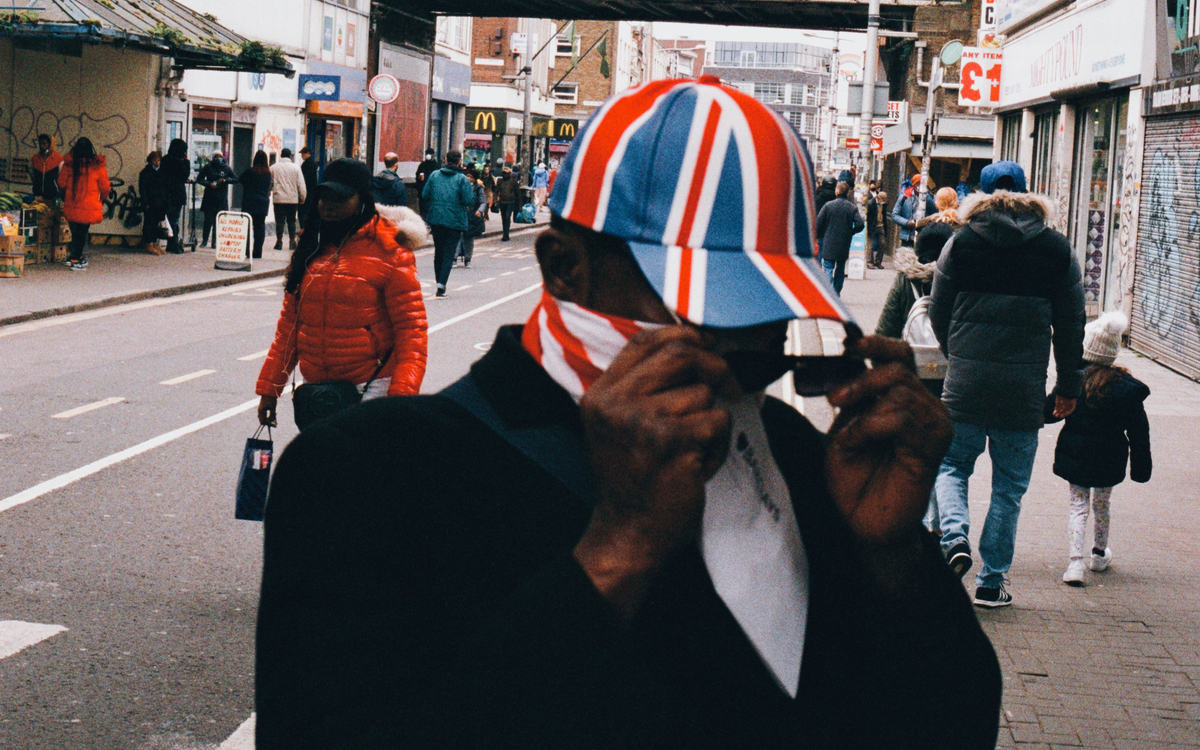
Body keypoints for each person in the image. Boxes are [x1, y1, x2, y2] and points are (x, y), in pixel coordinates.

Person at [255, 77, 1002, 750]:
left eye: (769, 308)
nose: (743, 344)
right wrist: (619, 549)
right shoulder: (374, 474)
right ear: (564, 269)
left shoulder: (797, 454)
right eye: (705, 304)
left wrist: (893, 557)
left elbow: (947, 727)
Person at [929, 160, 1086, 608]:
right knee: (1009, 488)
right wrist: (1069, 387)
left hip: (965, 384)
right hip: (1022, 392)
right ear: (1027, 193)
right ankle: (991, 581)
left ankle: (954, 538)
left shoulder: (960, 243)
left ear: (979, 193)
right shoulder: (1056, 249)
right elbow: (1072, 323)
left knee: (951, 466)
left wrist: (955, 354)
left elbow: (938, 312)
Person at [256, 158, 429, 429]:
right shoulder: (311, 249)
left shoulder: (390, 252)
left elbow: (412, 332)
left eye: (340, 196)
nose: (328, 204)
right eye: (323, 196)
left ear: (363, 199)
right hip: (319, 393)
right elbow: (289, 328)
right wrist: (270, 388)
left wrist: (401, 399)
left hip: (371, 388)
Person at [1044, 311, 1151, 586]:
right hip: (1109, 460)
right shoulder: (1125, 389)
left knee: (1078, 507)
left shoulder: (1074, 383)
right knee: (1102, 505)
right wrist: (1141, 468)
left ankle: (1074, 564)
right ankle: (1099, 554)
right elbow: (1139, 431)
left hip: (1076, 456)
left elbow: (1048, 411)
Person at [421, 151, 474, 297]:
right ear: (459, 162)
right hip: (455, 221)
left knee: (439, 251)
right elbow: (468, 200)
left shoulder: (434, 175)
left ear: (445, 160)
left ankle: (439, 281)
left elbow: (425, 194)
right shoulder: (462, 179)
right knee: (449, 253)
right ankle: (441, 286)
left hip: (436, 219)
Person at [57, 137, 110, 271]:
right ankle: (77, 258)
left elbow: (61, 183)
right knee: (82, 232)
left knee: (74, 231)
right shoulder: (97, 166)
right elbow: (105, 188)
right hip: (89, 206)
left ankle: (72, 256)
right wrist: (101, 199)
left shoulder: (69, 165)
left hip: (72, 204)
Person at [815, 181, 864, 295]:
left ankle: (828, 292)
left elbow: (818, 223)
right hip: (844, 242)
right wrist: (851, 232)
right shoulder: (852, 208)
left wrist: (820, 235)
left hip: (829, 241)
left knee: (828, 267)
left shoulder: (828, 206)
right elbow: (860, 224)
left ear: (837, 191)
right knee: (840, 268)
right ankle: (836, 292)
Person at [196, 152, 238, 248]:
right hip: (209, 197)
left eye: (219, 157)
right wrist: (209, 184)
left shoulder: (226, 168)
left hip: (221, 198)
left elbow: (236, 179)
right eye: (216, 157)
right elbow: (200, 179)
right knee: (208, 220)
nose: (218, 159)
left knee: (217, 221)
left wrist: (225, 180)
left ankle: (214, 242)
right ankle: (205, 240)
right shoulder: (208, 167)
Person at [269, 148, 306, 251]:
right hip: (292, 199)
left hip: (278, 199)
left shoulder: (273, 168)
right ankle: (292, 241)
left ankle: (279, 242)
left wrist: (268, 191)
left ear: (281, 155)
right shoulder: (296, 168)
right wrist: (302, 197)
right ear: (290, 156)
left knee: (279, 221)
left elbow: (270, 183)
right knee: (291, 221)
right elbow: (301, 185)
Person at [239, 151, 273, 259]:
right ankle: (258, 251)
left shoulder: (250, 171)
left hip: (249, 201)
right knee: (260, 227)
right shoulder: (267, 173)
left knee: (247, 227)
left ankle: (247, 250)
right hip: (263, 202)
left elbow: (241, 179)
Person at [891, 174, 938, 247]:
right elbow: (894, 215)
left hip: (923, 237)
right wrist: (907, 223)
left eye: (923, 184)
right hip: (907, 238)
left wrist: (926, 196)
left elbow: (935, 213)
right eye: (918, 184)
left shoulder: (931, 197)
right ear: (914, 185)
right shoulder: (904, 197)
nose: (920, 186)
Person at [455, 165, 487, 268]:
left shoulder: (478, 189)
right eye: (467, 176)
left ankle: (468, 259)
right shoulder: (461, 186)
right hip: (461, 215)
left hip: (472, 216)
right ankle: (454, 258)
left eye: (471, 177)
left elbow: (483, 202)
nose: (469, 178)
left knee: (469, 239)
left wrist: (480, 211)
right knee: (457, 237)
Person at [138, 151, 168, 256]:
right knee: (149, 223)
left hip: (160, 202)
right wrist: (145, 202)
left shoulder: (162, 172)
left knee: (156, 223)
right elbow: (143, 189)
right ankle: (148, 243)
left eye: (158, 160)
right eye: (155, 160)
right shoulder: (145, 172)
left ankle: (155, 242)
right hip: (150, 202)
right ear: (150, 161)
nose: (157, 163)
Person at [29, 134, 63, 201]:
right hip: (37, 194)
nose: (42, 146)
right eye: (40, 144)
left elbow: (61, 177)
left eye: (44, 144)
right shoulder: (35, 158)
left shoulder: (58, 158)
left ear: (49, 144)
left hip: (53, 195)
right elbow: (33, 175)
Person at [494, 165, 519, 241]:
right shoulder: (500, 181)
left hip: (510, 202)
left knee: (507, 217)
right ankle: (505, 233)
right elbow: (496, 191)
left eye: (506, 173)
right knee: (504, 218)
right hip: (502, 202)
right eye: (504, 173)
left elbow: (518, 194)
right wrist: (495, 199)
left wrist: (519, 205)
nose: (505, 175)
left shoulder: (513, 182)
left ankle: (506, 234)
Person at [865, 189, 888, 269]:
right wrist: (868, 228)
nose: (884, 202)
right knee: (870, 246)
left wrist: (885, 228)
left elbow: (884, 216)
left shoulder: (884, 204)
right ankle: (869, 262)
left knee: (882, 243)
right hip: (872, 226)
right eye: (883, 200)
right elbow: (868, 217)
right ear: (879, 198)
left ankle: (878, 261)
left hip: (880, 226)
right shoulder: (871, 203)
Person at [416, 148, 440, 219]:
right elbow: (417, 176)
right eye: (427, 154)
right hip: (422, 192)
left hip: (432, 194)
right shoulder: (422, 165)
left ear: (433, 155)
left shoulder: (436, 166)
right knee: (423, 212)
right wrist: (419, 178)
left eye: (430, 154)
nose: (428, 155)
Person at [298, 146, 318, 229]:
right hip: (310, 191)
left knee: (303, 212)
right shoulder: (311, 163)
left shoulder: (308, 164)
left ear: (307, 154)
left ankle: (304, 228)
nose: (301, 155)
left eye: (303, 154)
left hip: (307, 191)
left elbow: (307, 179)